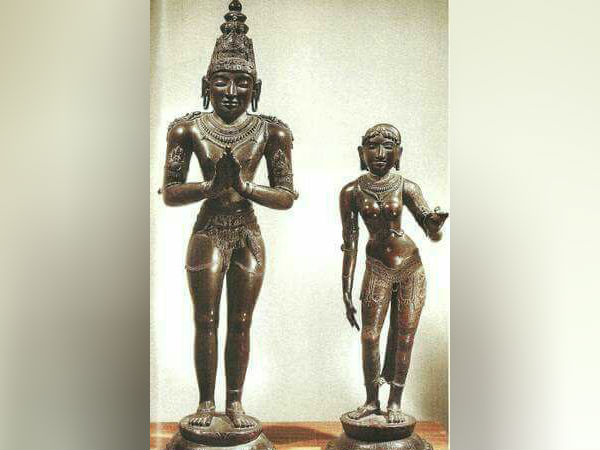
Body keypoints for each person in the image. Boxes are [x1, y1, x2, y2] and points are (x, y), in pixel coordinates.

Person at [161, 0, 298, 429]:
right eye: (221, 81)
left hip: (246, 231)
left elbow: (286, 195)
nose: (232, 91)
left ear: (256, 87)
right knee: (205, 319)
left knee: (241, 321)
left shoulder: (272, 131)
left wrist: (244, 187)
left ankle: (234, 403)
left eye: (242, 82)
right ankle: (206, 403)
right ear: (207, 84)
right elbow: (170, 192)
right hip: (208, 229)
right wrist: (210, 187)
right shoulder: (187, 128)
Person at [339, 124, 448, 424]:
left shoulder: (406, 187)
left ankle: (395, 402)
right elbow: (350, 243)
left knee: (404, 337)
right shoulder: (351, 192)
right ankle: (372, 400)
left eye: (388, 147)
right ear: (361, 152)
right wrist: (346, 289)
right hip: (377, 267)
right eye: (372, 146)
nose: (380, 153)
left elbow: (431, 230)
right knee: (369, 336)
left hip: (410, 268)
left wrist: (435, 223)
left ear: (398, 153)